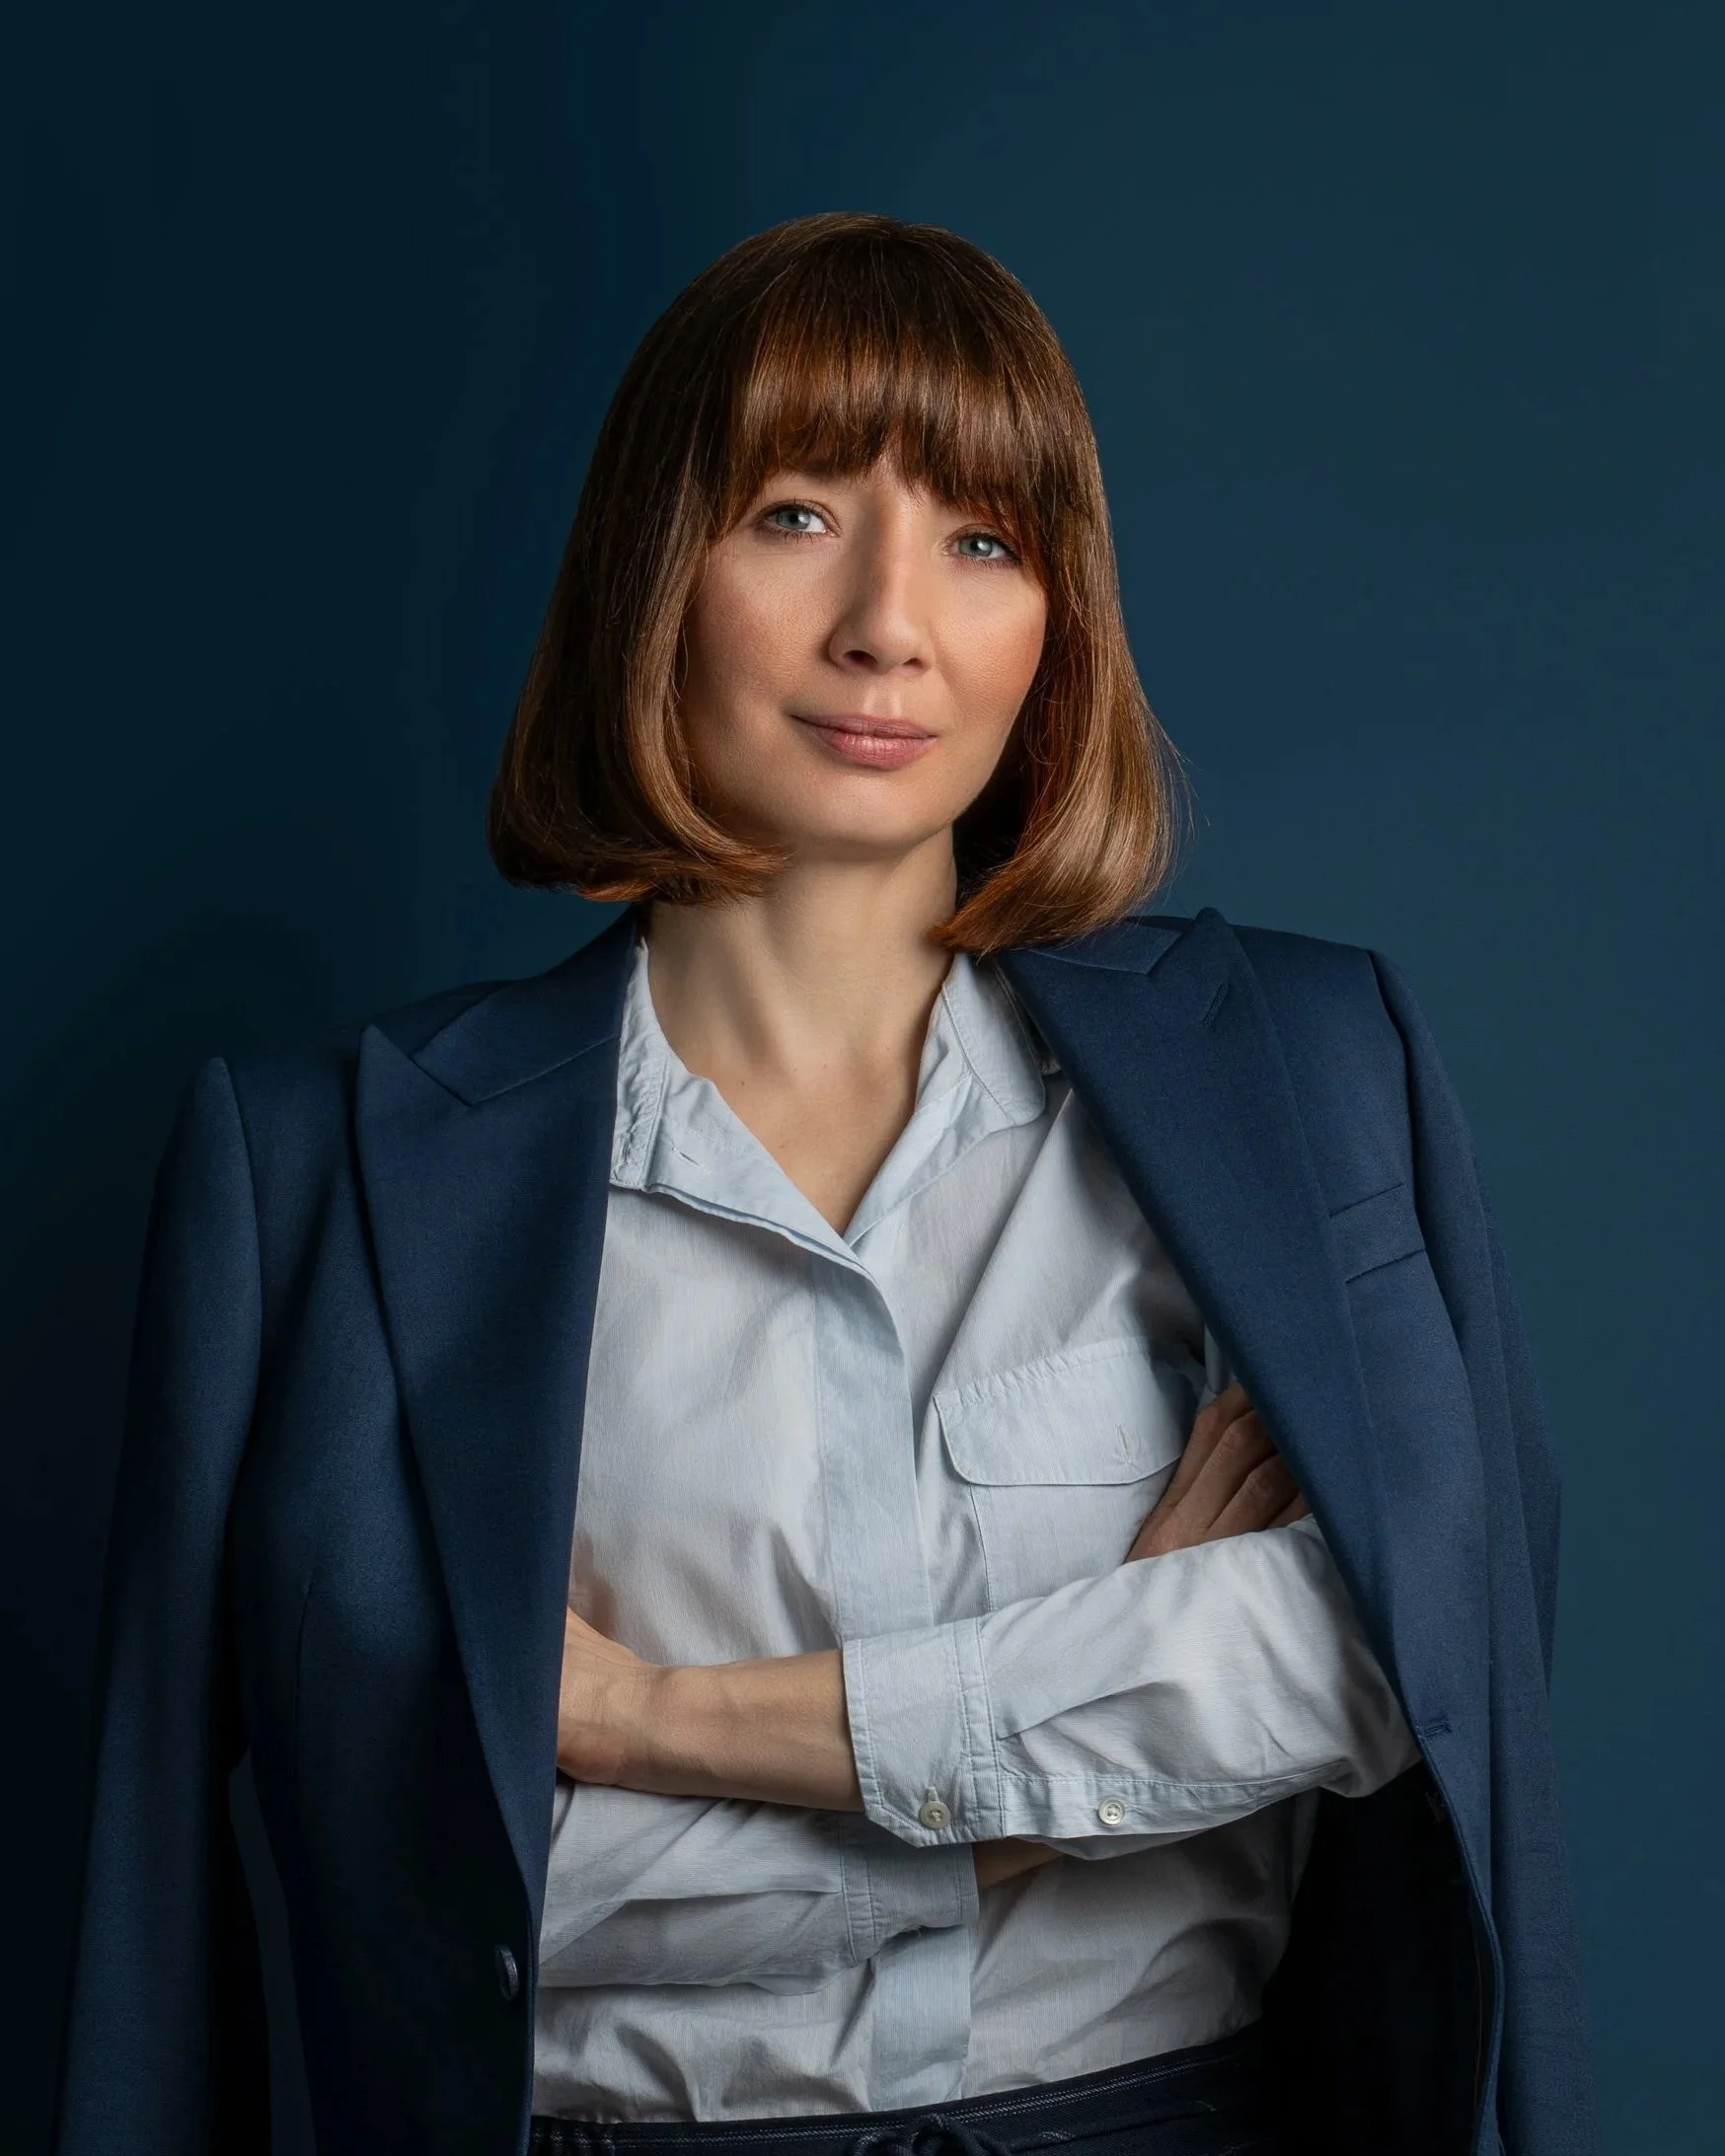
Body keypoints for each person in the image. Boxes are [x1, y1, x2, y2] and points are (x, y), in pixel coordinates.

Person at [53, 213, 1597, 2156]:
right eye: (794, 515)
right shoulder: (324, 1177)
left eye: (983, 541)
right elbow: (438, 1883)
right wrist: (1079, 1752)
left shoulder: (1300, 1077)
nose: (889, 624)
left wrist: (641, 1723)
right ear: (654, 571)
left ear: (1059, 618)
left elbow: (1381, 1670)